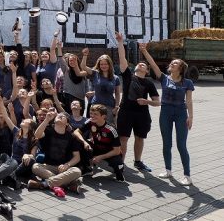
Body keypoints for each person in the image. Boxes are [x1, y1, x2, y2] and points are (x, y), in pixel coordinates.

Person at [142, 45, 195, 185]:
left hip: (181, 114)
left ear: (181, 68)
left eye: (175, 63)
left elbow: (189, 101)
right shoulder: (164, 78)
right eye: (172, 63)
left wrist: (191, 117)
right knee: (166, 143)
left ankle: (187, 175)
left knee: (181, 145)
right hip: (165, 112)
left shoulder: (187, 83)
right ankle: (168, 170)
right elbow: (153, 64)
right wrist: (144, 50)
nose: (172, 64)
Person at [114, 31, 159, 174]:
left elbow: (157, 102)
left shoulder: (149, 83)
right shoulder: (128, 76)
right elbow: (122, 58)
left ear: (146, 71)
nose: (141, 65)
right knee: (124, 138)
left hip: (142, 114)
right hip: (126, 112)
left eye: (144, 65)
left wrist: (147, 102)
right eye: (139, 64)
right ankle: (120, 163)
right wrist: (120, 42)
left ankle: (138, 161)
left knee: (140, 138)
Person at [28, 109, 83, 196]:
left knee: (77, 171)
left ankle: (43, 184)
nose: (60, 116)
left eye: (63, 116)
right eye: (58, 115)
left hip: (64, 168)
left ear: (67, 123)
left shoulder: (71, 137)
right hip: (49, 166)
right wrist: (46, 120)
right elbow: (37, 135)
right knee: (35, 166)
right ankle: (67, 184)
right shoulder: (48, 130)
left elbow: (77, 157)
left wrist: (67, 165)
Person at [73, 104, 124, 181]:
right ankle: (87, 169)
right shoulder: (90, 122)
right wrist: (84, 142)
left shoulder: (111, 129)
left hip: (110, 152)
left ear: (103, 116)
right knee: (78, 142)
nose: (92, 116)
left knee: (117, 164)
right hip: (97, 148)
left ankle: (119, 171)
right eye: (91, 113)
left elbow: (117, 151)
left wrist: (101, 157)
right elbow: (76, 132)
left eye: (95, 114)